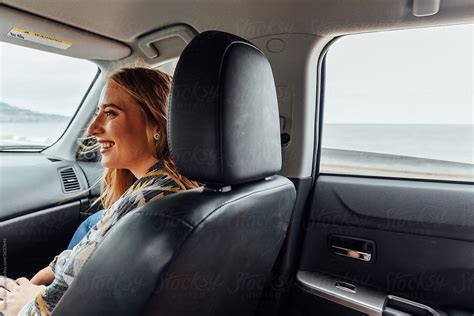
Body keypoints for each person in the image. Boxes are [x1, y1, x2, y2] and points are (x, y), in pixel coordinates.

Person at [0, 67, 200, 316]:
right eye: (98, 114)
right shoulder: (173, 189)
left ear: (155, 125)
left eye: (110, 113)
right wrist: (47, 275)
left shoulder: (150, 205)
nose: (93, 129)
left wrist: (28, 304)